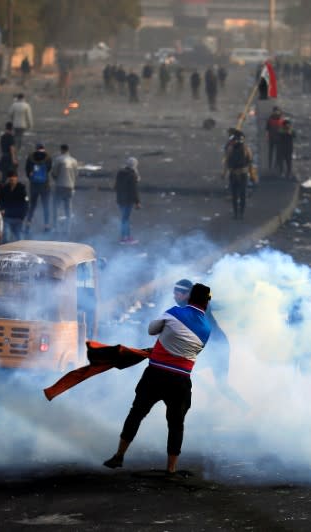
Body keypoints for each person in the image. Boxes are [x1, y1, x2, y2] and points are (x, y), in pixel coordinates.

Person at [104, 283, 212, 474]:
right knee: (176, 424)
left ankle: (119, 455)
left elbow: (151, 330)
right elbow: (196, 350)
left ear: (189, 297)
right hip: (181, 380)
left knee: (136, 413)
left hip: (155, 374)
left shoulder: (173, 313)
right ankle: (171, 469)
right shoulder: (206, 329)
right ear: (206, 303)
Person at [224, 130, 253, 220]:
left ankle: (238, 213)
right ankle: (239, 213)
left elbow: (227, 161)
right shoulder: (244, 148)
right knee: (240, 194)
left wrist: (225, 172)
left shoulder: (234, 148)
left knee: (237, 195)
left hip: (237, 174)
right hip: (241, 174)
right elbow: (250, 161)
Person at [24, 143, 52, 234]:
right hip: (45, 185)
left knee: (32, 205)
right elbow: (48, 169)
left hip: (34, 185)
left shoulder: (30, 157)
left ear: (36, 149)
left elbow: (27, 170)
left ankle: (28, 223)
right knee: (46, 205)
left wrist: (31, 177)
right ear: (44, 148)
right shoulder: (48, 157)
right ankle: (46, 225)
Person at [51, 144, 78, 235]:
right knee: (68, 210)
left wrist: (57, 179)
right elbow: (76, 174)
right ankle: (67, 230)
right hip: (70, 187)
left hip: (60, 186)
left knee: (57, 208)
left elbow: (54, 173)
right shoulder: (74, 161)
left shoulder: (58, 159)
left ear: (61, 150)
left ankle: (56, 228)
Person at [115, 157, 141, 244]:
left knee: (124, 218)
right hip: (128, 200)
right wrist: (137, 202)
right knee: (125, 219)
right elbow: (134, 190)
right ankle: (126, 237)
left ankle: (124, 237)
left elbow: (116, 187)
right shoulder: (132, 175)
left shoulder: (120, 173)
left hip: (120, 200)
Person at [0, 169, 28, 242]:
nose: (12, 179)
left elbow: (26, 203)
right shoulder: (4, 189)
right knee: (6, 237)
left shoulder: (21, 188)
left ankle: (22, 252)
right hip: (7, 217)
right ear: (8, 179)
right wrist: (2, 209)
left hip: (18, 218)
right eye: (10, 177)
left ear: (16, 178)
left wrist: (23, 216)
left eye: (13, 177)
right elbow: (1, 201)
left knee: (20, 238)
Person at [265, 107, 284, 172]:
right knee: (271, 152)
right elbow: (267, 129)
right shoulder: (270, 120)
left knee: (278, 153)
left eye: (277, 111)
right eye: (275, 111)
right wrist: (267, 137)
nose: (276, 113)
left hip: (279, 139)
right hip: (272, 138)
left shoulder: (281, 120)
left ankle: (276, 165)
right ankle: (270, 165)